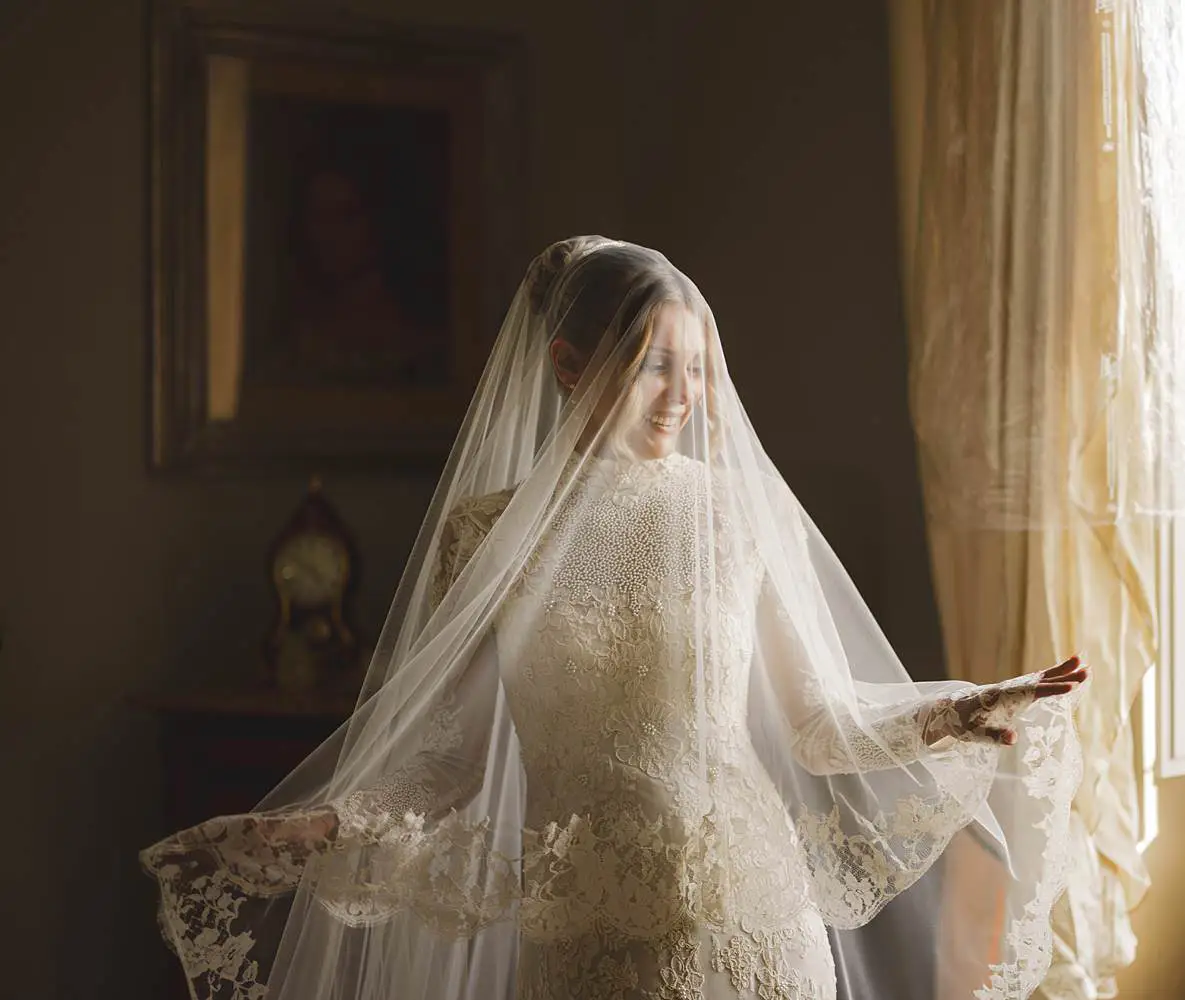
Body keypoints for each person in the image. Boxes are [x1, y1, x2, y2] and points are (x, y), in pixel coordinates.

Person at [142, 238, 1087, 1000]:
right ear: (567, 366)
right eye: (651, 367)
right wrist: (323, 827)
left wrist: (963, 709)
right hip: (591, 944)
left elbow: (819, 724)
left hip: (757, 926)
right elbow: (453, 759)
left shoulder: (732, 513)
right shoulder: (488, 536)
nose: (682, 397)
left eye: (696, 369)